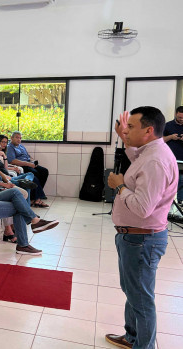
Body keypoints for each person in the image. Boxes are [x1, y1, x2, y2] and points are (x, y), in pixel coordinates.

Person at [105, 107, 178, 349]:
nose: (126, 131)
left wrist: (119, 186)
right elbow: (136, 157)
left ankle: (143, 346)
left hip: (142, 240)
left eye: (131, 127)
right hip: (135, 237)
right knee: (134, 291)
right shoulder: (149, 152)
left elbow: (143, 207)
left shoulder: (156, 160)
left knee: (142, 300)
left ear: (148, 130)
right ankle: (133, 337)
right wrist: (124, 137)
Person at [0, 141, 48, 207]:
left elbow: (5, 167)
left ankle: (26, 181)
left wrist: (4, 157)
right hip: (7, 178)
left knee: (31, 174)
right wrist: (6, 178)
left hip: (8, 175)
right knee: (29, 183)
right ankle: (30, 200)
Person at [162, 105, 183, 203]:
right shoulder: (168, 125)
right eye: (179, 117)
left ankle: (180, 202)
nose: (181, 119)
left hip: (182, 160)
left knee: (182, 181)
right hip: (169, 159)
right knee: (168, 181)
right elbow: (159, 140)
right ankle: (166, 202)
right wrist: (171, 137)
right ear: (175, 114)